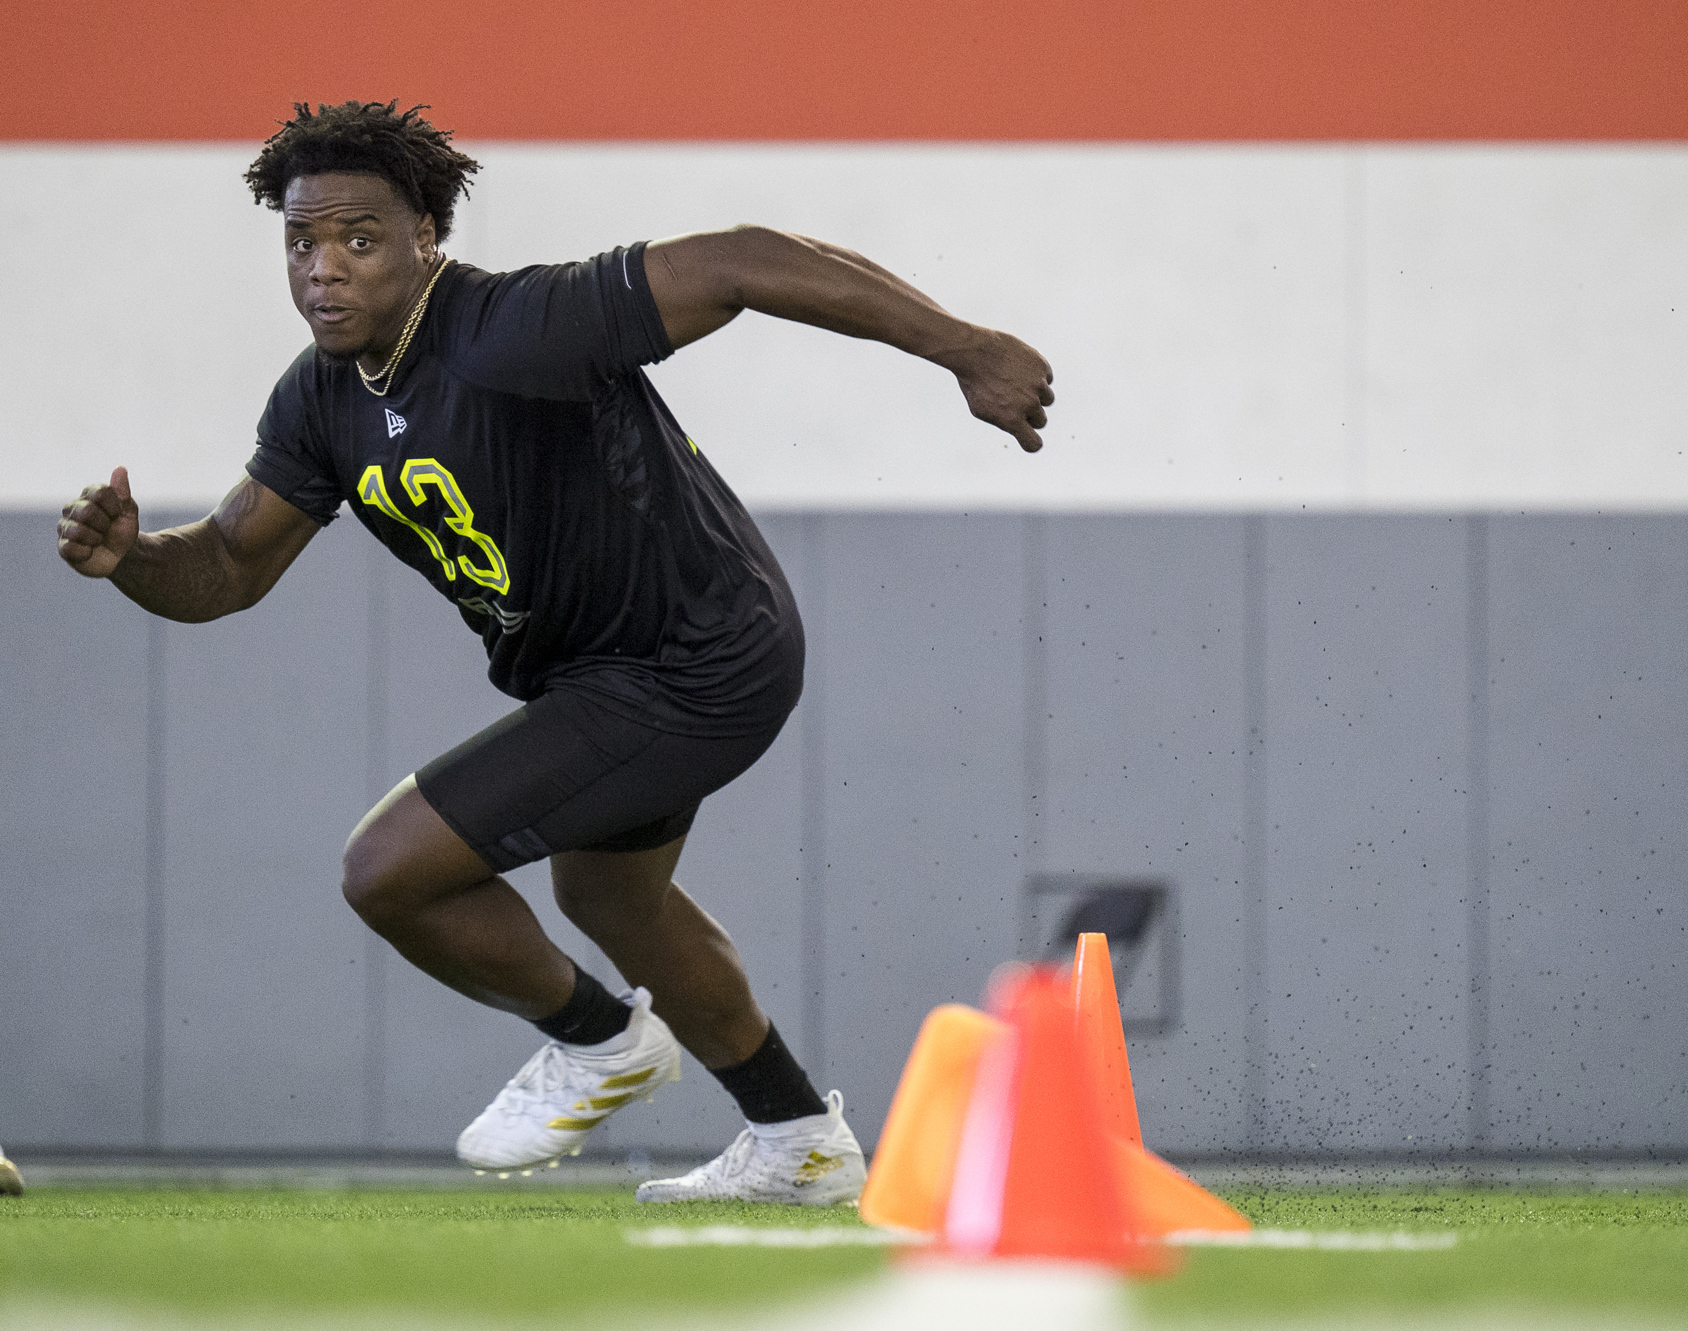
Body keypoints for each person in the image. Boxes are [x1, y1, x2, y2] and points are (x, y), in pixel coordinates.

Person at [55, 101, 1052, 1204]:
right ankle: (795, 1137)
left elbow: (744, 261)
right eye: (301, 243)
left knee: (387, 869)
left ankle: (596, 1040)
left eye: (359, 239)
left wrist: (964, 347)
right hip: (599, 676)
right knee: (613, 899)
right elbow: (230, 569)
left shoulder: (515, 327)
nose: (323, 271)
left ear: (426, 235)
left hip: (698, 652)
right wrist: (132, 558)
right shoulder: (321, 396)